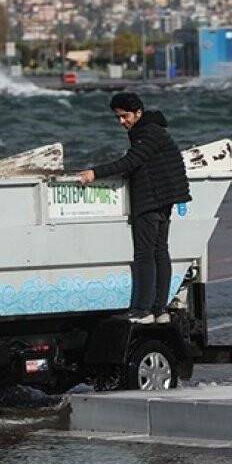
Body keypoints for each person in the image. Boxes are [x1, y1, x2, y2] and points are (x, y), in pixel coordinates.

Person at [77, 92, 191, 325]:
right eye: (117, 117)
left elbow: (131, 161)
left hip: (152, 199)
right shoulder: (153, 130)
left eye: (125, 116)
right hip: (164, 199)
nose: (122, 122)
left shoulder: (147, 132)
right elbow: (143, 162)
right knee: (159, 252)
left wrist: (94, 173)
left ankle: (143, 310)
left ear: (138, 113)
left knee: (145, 254)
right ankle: (160, 311)